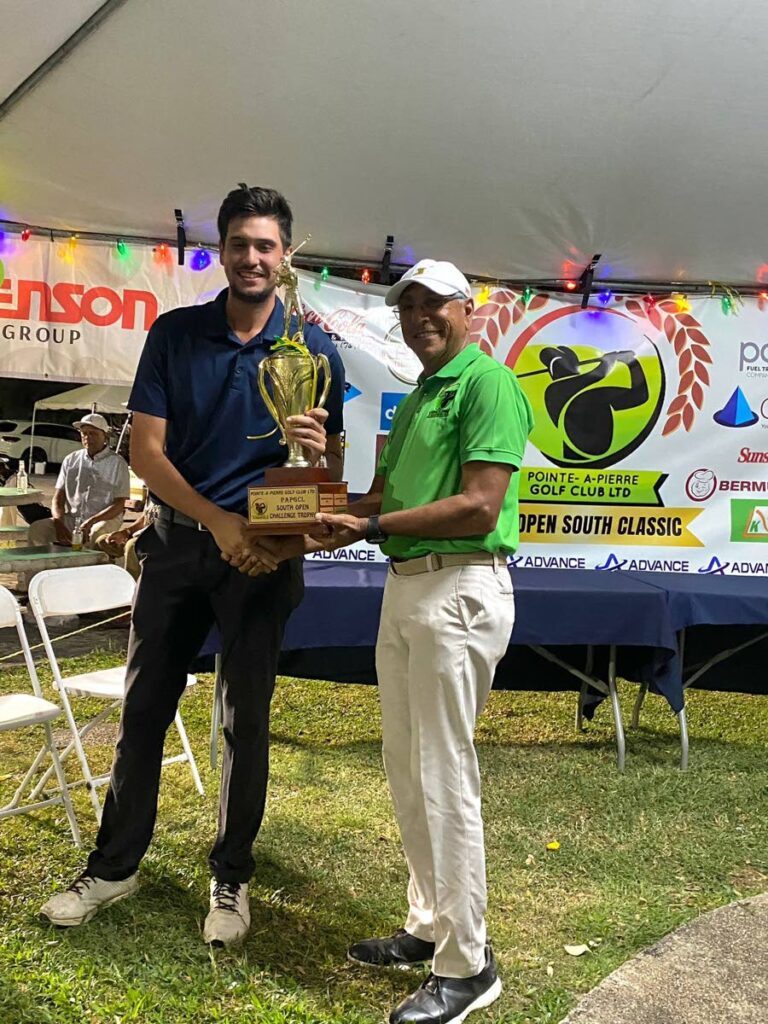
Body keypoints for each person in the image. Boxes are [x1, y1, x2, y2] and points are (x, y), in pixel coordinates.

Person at [40, 184, 345, 946]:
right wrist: (218, 522)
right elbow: (147, 451)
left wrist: (322, 448)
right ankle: (114, 866)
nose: (252, 257)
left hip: (265, 556)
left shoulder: (313, 349)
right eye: (240, 243)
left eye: (266, 245)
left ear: (285, 256)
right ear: (225, 250)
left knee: (247, 720)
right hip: (179, 544)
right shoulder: (176, 334)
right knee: (144, 712)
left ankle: (232, 879)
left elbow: (329, 467)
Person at [314, 260, 533, 1024]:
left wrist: (367, 526)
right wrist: (313, 511)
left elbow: (478, 505)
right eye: (407, 307)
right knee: (406, 767)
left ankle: (468, 965)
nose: (419, 317)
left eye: (433, 303)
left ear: (467, 309)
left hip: (459, 588)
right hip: (409, 588)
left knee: (443, 772)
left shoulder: (487, 385)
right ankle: (429, 924)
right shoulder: (418, 398)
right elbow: (383, 498)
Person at [28, 413, 130, 548]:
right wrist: (59, 522)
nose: (87, 437)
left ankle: (92, 567)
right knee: (37, 529)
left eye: (93, 433)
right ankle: (41, 568)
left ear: (105, 436)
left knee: (96, 532)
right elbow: (58, 498)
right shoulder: (70, 460)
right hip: (74, 519)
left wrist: (92, 521)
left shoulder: (118, 463)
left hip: (105, 518)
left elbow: (119, 504)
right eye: (84, 433)